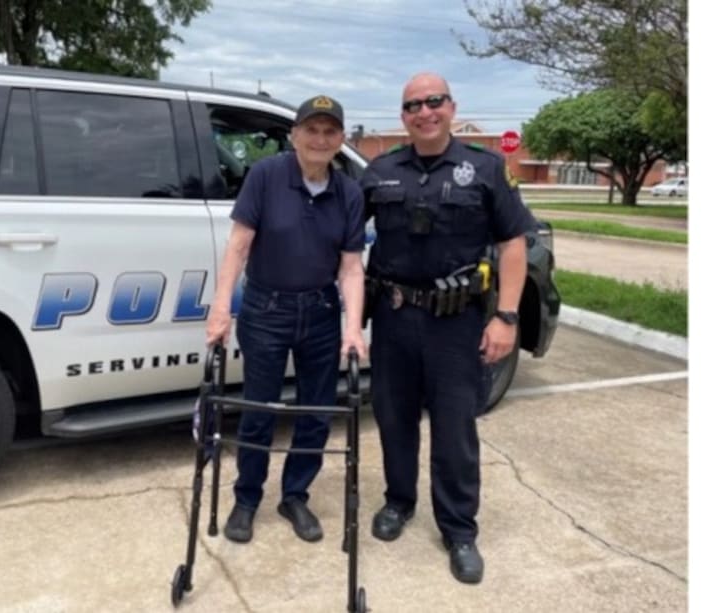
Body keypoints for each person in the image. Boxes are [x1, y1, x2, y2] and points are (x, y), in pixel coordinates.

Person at [361, 73, 535, 584]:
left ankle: (459, 528)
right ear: (403, 117)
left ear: (451, 107)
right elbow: (345, 238)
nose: (424, 111)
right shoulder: (379, 171)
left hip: (456, 323)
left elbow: (513, 246)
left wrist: (506, 317)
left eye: (433, 101)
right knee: (393, 418)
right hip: (393, 316)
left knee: (455, 428)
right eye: (413, 104)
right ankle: (399, 502)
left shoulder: (484, 169)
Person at [205, 95, 368, 544]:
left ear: (340, 140)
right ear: (294, 135)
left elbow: (351, 268)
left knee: (316, 412)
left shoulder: (349, 193)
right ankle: (247, 498)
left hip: (319, 312)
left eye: (329, 131)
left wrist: (353, 328)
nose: (319, 139)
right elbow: (238, 246)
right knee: (259, 409)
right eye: (310, 130)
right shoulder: (265, 176)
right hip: (266, 309)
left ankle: (295, 494)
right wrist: (221, 308)